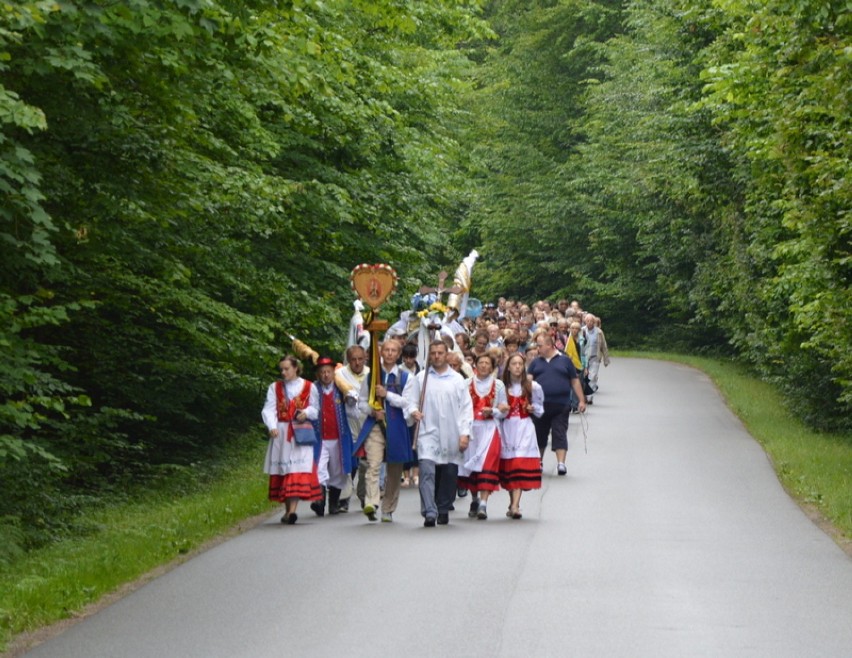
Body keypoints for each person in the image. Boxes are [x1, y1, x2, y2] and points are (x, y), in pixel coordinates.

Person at [410, 341, 473, 527]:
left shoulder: (457, 380)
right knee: (427, 470)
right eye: (433, 353)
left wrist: (465, 433)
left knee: (449, 472)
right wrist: (414, 411)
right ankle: (429, 510)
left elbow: (465, 409)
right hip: (427, 431)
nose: (436, 356)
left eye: (440, 353)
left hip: (451, 432)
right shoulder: (421, 378)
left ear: (447, 355)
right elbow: (411, 401)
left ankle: (443, 507)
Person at [354, 340, 417, 523]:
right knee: (373, 465)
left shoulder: (407, 378)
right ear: (381, 353)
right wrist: (373, 411)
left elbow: (408, 402)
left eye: (393, 351)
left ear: (398, 354)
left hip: (397, 426)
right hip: (375, 426)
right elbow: (362, 402)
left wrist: (386, 395)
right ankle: (371, 502)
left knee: (394, 470)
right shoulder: (372, 376)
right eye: (386, 350)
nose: (389, 353)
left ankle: (388, 508)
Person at [261, 355, 322, 524]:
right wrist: (272, 426)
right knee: (285, 471)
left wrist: (306, 413)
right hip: (281, 432)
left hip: (300, 432)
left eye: (287, 369)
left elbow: (315, 409)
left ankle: (292, 511)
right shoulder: (275, 387)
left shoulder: (309, 386)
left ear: (296, 368)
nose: (283, 372)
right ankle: (288, 512)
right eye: (281, 369)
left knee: (297, 469)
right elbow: (269, 409)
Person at [527, 333, 587, 475]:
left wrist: (581, 400)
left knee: (559, 432)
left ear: (549, 345)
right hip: (540, 406)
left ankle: (561, 463)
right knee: (539, 434)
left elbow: (574, 381)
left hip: (561, 404)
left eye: (540, 345)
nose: (538, 348)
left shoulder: (565, 361)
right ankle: (538, 461)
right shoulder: (535, 363)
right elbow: (528, 382)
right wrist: (525, 401)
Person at [458, 352, 508, 520]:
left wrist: (492, 411)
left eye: (488, 363)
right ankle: (474, 498)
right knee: (472, 466)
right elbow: (461, 408)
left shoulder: (499, 385)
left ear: (492, 367)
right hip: (471, 429)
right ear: (475, 366)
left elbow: (504, 411)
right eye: (481, 363)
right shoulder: (466, 384)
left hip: (490, 429)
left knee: (487, 465)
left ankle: (484, 505)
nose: (484, 366)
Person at [499, 353, 543, 518]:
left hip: (524, 427)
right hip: (507, 427)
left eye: (520, 364)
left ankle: (516, 506)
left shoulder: (532, 386)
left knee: (518, 463)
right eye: (514, 364)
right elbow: (496, 409)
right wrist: (501, 410)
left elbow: (540, 409)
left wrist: (533, 409)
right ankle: (512, 502)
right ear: (508, 367)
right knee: (510, 465)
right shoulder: (501, 387)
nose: (517, 367)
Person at [310, 356, 354, 517]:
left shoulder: (340, 389)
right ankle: (319, 502)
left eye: (328, 372)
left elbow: (352, 408)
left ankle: (333, 503)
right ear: (317, 374)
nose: (326, 375)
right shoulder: (313, 389)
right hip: (319, 438)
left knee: (337, 471)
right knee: (318, 468)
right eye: (322, 372)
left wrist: (350, 399)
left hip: (338, 437)